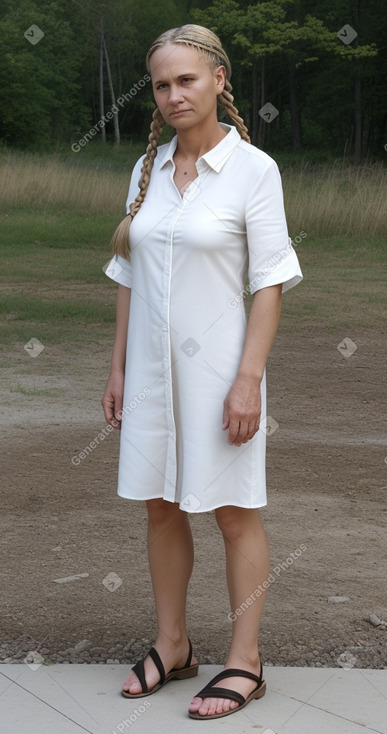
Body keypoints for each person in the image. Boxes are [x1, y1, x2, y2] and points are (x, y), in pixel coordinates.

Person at [102, 23, 302, 720]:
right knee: (159, 503)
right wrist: (118, 368)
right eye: (161, 84)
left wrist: (248, 379)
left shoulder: (254, 169)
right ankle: (174, 645)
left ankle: (244, 661)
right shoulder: (146, 170)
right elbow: (128, 273)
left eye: (186, 79)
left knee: (233, 511)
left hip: (221, 373)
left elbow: (270, 281)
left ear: (219, 79)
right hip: (152, 374)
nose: (173, 95)